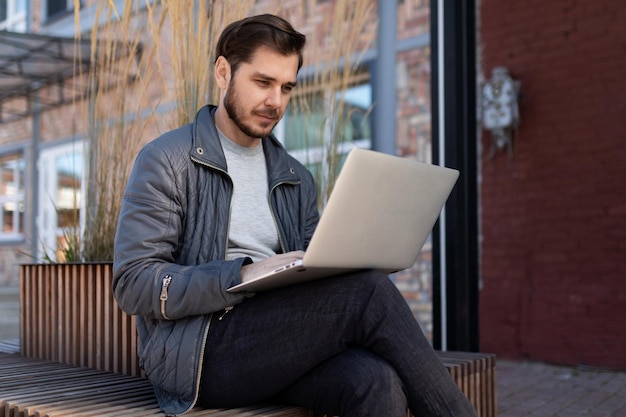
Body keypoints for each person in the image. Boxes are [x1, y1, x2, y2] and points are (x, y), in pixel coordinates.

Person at [113, 13, 477, 417]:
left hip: (280, 338)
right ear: (223, 72)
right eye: (263, 82)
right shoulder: (167, 160)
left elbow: (315, 272)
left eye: (287, 87)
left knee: (375, 381)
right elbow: (134, 283)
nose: (276, 101)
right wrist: (240, 275)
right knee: (367, 292)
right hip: (199, 353)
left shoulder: (294, 177)